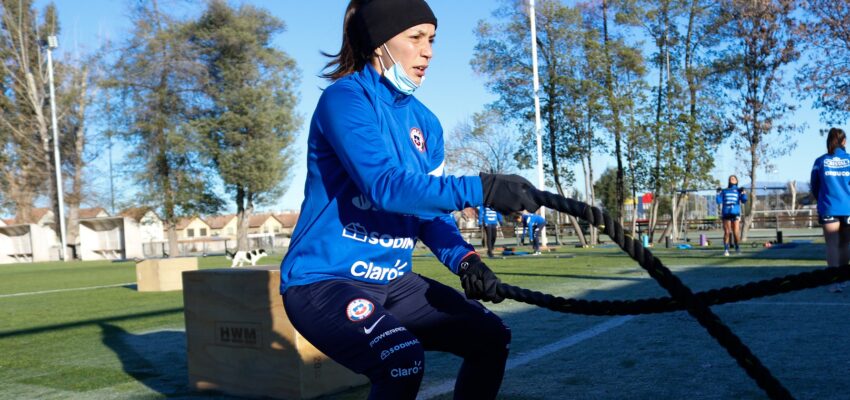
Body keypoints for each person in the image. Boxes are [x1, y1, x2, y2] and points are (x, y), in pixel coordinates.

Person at [278, 1, 542, 398]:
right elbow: (385, 187)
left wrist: (466, 260)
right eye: (415, 38)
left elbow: (427, 213)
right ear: (379, 43)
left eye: (432, 39)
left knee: (490, 336)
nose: (428, 51)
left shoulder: (427, 124)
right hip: (324, 283)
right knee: (402, 360)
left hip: (392, 283)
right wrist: (481, 187)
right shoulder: (345, 100)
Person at [811, 128, 850, 278]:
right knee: (845, 244)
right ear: (844, 141)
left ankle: (833, 281)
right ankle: (844, 278)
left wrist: (821, 200)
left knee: (832, 244)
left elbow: (814, 185)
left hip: (829, 207)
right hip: (848, 208)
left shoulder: (820, 161)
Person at [716, 175, 747, 256]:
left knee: (736, 232)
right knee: (727, 232)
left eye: (733, 178)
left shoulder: (738, 190)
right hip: (726, 213)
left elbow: (744, 200)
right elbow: (719, 201)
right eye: (730, 178)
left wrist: (743, 193)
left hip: (735, 213)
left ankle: (737, 247)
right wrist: (718, 193)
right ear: (729, 181)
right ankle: (726, 250)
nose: (732, 179)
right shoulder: (725, 191)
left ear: (736, 181)